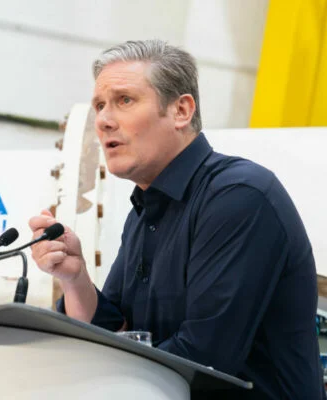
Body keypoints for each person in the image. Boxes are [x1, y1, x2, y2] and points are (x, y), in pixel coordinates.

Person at [29, 40, 325, 399]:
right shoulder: (144, 211)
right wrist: (74, 278)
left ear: (181, 111)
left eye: (124, 100)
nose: (104, 121)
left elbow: (203, 358)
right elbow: (115, 331)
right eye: (99, 106)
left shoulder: (239, 196)